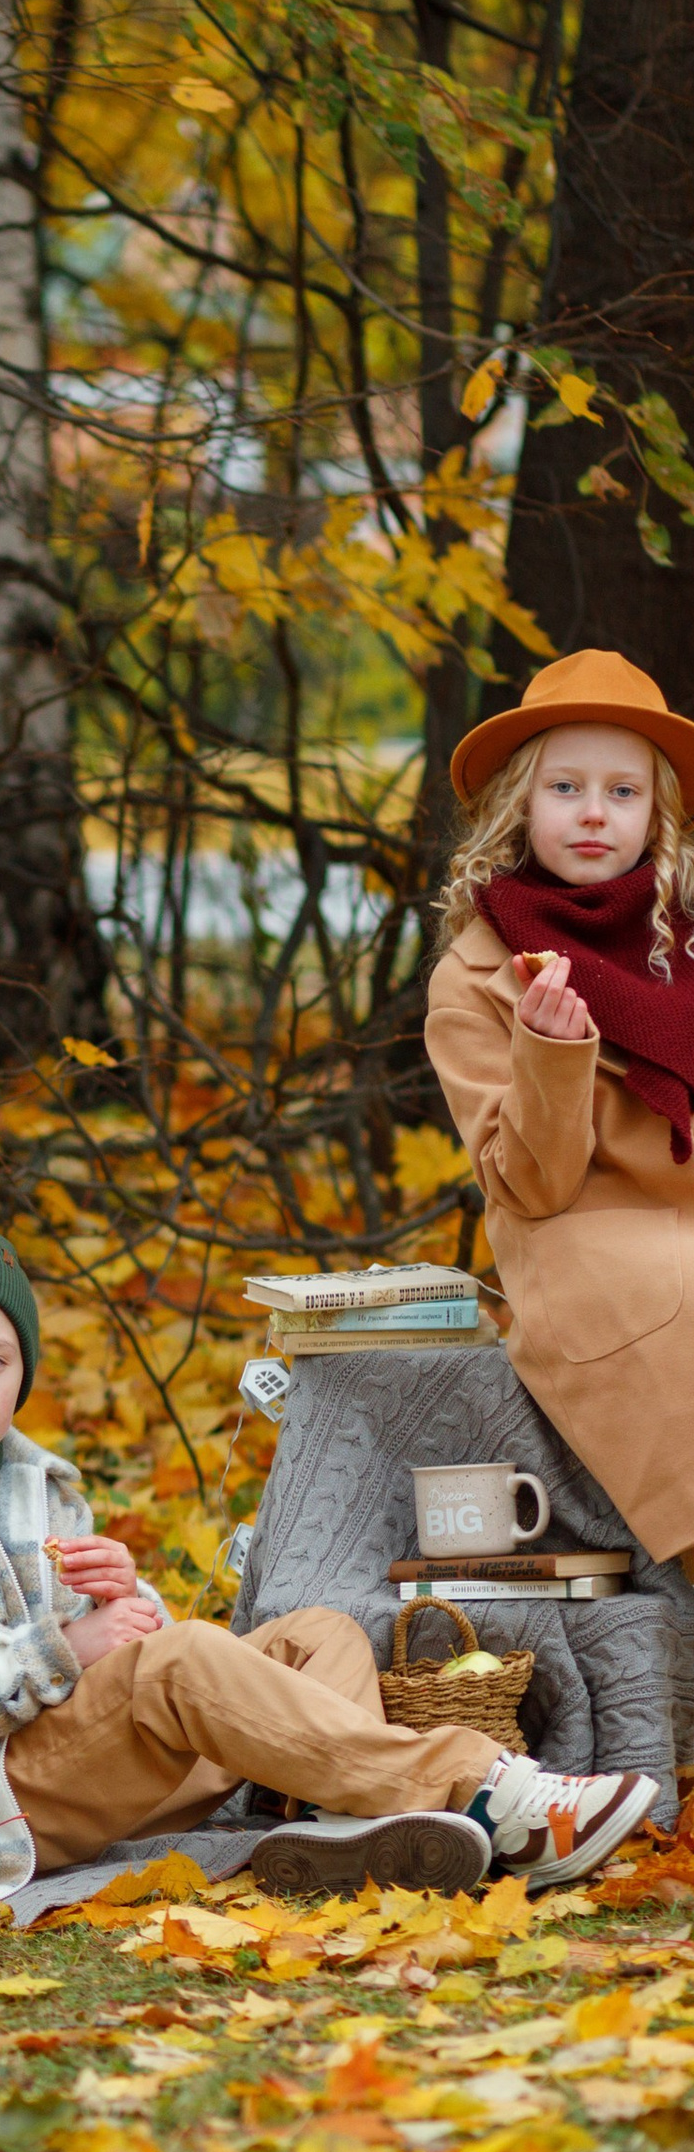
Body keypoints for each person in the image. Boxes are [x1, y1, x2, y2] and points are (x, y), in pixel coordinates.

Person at [0, 1228, 656, 1900]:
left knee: (321, 1633)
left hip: (71, 1759)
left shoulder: (35, 1482)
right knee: (187, 1662)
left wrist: (129, 1602)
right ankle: (482, 1788)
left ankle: (336, 1822)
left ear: (18, 1376)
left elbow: (112, 1653)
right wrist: (70, 1645)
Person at [427, 648, 694, 1567]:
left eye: (623, 792)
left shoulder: (686, 942)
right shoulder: (475, 973)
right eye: (565, 786)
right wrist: (552, 1054)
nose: (592, 812)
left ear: (655, 812)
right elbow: (530, 1189)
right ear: (518, 807)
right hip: (589, 1244)